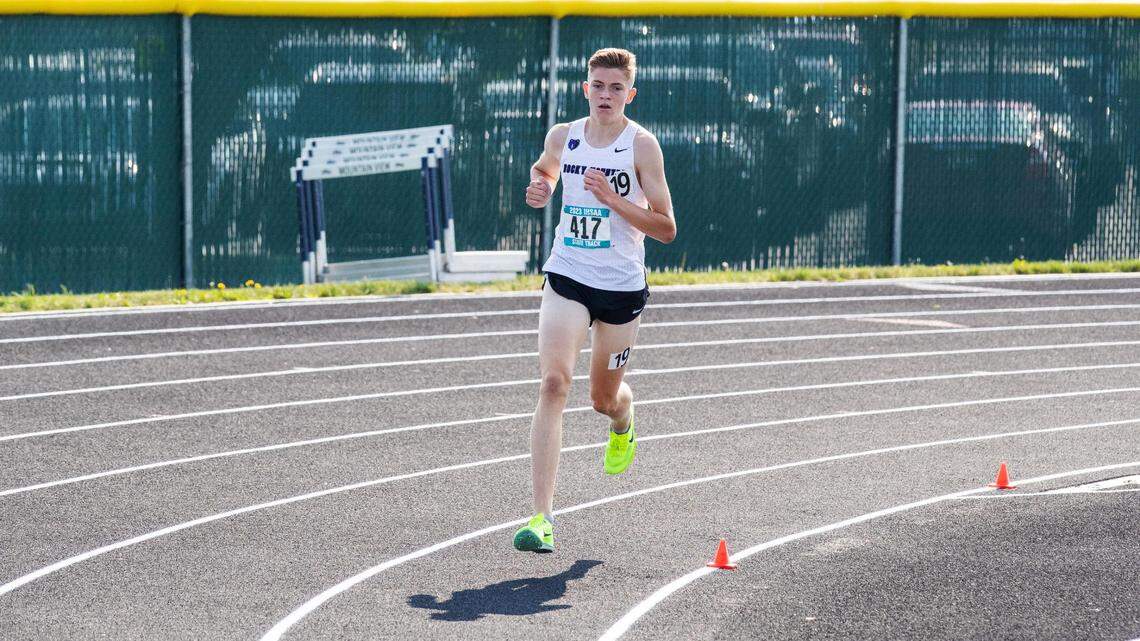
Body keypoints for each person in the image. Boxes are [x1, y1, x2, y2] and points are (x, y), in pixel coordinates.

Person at [513, 47, 677, 553]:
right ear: (585, 89)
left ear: (630, 94)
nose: (605, 96)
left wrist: (612, 199)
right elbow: (546, 170)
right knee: (552, 383)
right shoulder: (565, 136)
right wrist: (540, 188)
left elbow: (667, 229)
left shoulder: (641, 147)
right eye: (597, 86)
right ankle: (541, 518)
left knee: (602, 398)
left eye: (615, 88)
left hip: (622, 287)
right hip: (568, 272)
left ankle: (624, 421)